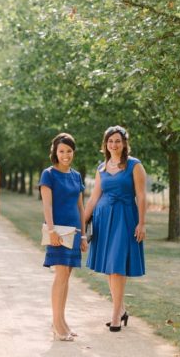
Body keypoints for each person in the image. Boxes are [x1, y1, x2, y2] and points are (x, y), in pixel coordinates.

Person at [83, 125, 147, 332]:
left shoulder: (134, 165)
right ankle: (121, 310)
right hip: (103, 219)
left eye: (118, 140)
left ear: (124, 143)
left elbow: (142, 195)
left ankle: (115, 315)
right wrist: (82, 222)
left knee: (118, 266)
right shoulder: (102, 168)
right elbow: (94, 198)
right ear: (105, 144)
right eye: (110, 141)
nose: (114, 144)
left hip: (125, 218)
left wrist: (142, 222)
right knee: (110, 268)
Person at [39, 133, 88, 341]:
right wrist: (52, 231)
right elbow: (47, 205)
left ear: (73, 152)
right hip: (58, 232)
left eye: (69, 151)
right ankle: (57, 323)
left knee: (67, 276)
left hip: (75, 231)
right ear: (55, 152)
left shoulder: (76, 176)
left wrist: (84, 235)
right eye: (61, 151)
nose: (65, 155)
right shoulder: (48, 174)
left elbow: (80, 206)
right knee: (60, 275)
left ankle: (61, 321)